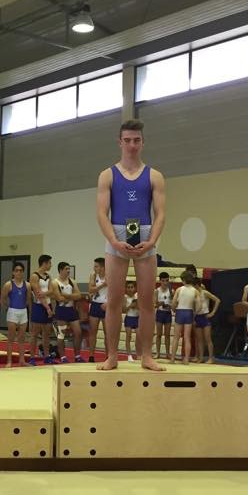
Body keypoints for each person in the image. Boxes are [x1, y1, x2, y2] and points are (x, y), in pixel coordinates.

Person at [96, 119, 167, 372]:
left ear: (143, 143)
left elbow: (160, 214)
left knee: (147, 301)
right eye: (127, 140)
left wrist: (152, 241)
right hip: (116, 234)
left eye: (136, 140)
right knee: (114, 300)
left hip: (146, 236)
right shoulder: (107, 175)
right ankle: (112, 355)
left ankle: (146, 356)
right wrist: (114, 240)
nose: (132, 145)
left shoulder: (155, 176)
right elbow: (102, 213)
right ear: (120, 142)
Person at [1, 262, 30, 367]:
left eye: (21, 271)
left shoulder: (27, 285)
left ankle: (22, 360)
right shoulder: (8, 284)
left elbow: (28, 300)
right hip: (12, 311)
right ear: (13, 272)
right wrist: (8, 308)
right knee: (11, 337)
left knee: (22, 337)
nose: (18, 272)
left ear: (23, 272)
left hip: (23, 311)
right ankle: (9, 361)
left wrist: (26, 310)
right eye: (16, 270)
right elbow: (2, 299)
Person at [29, 254, 56, 364]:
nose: (50, 265)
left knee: (47, 333)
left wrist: (50, 307)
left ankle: (46, 356)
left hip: (48, 305)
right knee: (35, 333)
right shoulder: (34, 276)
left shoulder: (48, 276)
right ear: (44, 263)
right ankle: (32, 357)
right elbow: (37, 294)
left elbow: (52, 291)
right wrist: (47, 308)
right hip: (39, 306)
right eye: (49, 263)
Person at [54, 261, 83, 362]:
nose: (68, 271)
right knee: (61, 334)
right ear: (60, 270)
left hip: (71, 310)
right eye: (66, 269)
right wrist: (72, 297)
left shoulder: (72, 281)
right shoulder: (55, 282)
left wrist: (67, 296)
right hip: (61, 310)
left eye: (69, 269)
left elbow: (79, 296)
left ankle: (77, 356)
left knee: (78, 332)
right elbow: (59, 298)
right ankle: (63, 357)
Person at [170, 271, 197, 364]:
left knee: (176, 337)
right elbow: (199, 305)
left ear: (184, 280)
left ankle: (172, 359)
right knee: (187, 337)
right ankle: (186, 359)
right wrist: (195, 313)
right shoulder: (195, 291)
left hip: (180, 311)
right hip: (189, 311)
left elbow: (173, 303)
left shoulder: (179, 289)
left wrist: (174, 310)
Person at [86, 257, 107, 363]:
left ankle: (108, 356)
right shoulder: (93, 276)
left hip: (106, 305)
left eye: (96, 266)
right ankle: (91, 356)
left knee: (107, 333)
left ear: (102, 267)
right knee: (92, 332)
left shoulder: (110, 276)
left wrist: (109, 303)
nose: (94, 268)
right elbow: (90, 289)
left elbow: (115, 291)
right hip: (95, 305)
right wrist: (102, 285)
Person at [196, 280, 220, 364]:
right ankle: (201, 357)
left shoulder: (204, 292)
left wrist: (212, 312)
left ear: (197, 285)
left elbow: (217, 300)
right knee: (199, 340)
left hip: (205, 316)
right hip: (197, 317)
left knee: (208, 339)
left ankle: (211, 358)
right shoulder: (194, 294)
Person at [154, 272, 173, 360]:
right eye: (163, 281)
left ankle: (167, 353)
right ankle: (157, 352)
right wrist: (159, 303)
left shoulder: (171, 291)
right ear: (160, 281)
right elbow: (154, 305)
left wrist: (170, 306)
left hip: (167, 313)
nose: (165, 283)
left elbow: (174, 303)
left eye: (167, 281)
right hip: (160, 313)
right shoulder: (157, 291)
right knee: (159, 334)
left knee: (167, 335)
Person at [123, 280, 139, 362]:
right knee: (128, 336)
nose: (130, 289)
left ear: (135, 288)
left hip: (137, 318)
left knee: (139, 336)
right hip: (129, 317)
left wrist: (136, 306)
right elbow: (123, 310)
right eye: (128, 287)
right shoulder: (125, 297)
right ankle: (129, 355)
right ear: (126, 288)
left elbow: (141, 308)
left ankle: (139, 353)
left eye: (131, 287)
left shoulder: (137, 296)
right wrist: (130, 306)